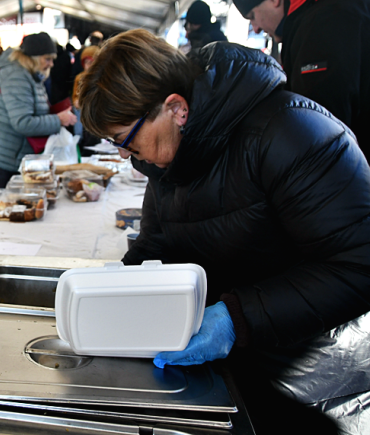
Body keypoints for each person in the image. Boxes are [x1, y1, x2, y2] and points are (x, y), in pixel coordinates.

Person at [78, 29, 370, 435]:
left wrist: (236, 317)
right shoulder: (169, 156)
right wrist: (116, 292)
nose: (125, 156)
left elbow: (359, 264)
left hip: (314, 373)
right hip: (238, 365)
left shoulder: (294, 135)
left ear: (176, 108)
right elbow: (159, 240)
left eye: (124, 139)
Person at [232, 0, 370, 158]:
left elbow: (319, 132)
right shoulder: (337, 4)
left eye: (252, 16)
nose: (256, 28)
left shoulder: (323, 22)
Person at [0, 32, 77, 190]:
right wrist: (59, 119)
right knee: (5, 203)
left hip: (12, 150)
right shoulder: (16, 75)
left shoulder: (28, 73)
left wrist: (57, 113)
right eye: (47, 59)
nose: (51, 64)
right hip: (2, 153)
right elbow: (23, 122)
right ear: (33, 57)